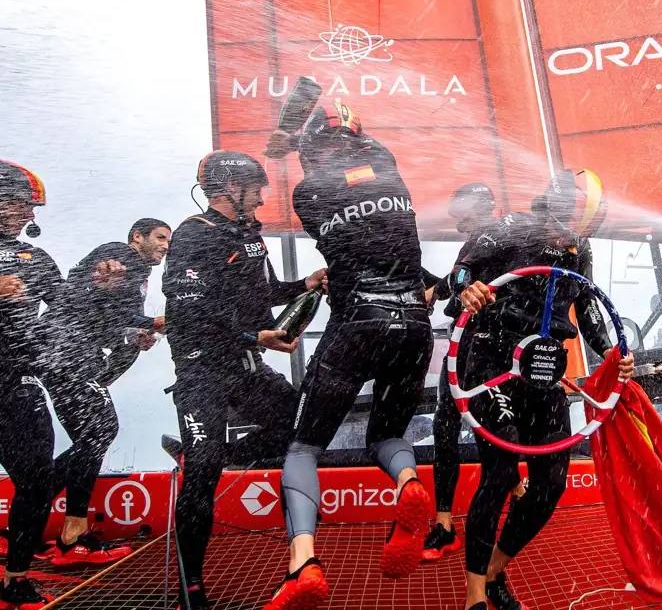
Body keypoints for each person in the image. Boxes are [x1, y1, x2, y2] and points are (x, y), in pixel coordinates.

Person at [261, 100, 436, 610]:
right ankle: (407, 482)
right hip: (415, 325)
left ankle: (303, 564)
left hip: (357, 323)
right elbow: (360, 147)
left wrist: (288, 139)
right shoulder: (388, 168)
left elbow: (319, 170)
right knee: (387, 435)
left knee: (303, 449)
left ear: (312, 149)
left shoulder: (308, 192)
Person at [453, 170, 634, 610]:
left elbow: (588, 305)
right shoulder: (509, 229)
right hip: (490, 362)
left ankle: (495, 570)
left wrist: (613, 354)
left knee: (551, 483)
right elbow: (459, 275)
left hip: (543, 372)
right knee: (501, 469)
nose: (573, 237)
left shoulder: (580, 250)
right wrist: (469, 290)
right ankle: (474, 596)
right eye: (571, 226)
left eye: (582, 231)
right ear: (553, 207)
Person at [163, 150, 326, 610]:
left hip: (247, 368)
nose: (262, 196)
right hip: (202, 372)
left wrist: (304, 285)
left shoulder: (249, 234)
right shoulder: (193, 235)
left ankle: (209, 454)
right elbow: (189, 309)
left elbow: (266, 293)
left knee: (295, 426)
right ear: (230, 189)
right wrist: (253, 335)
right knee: (202, 478)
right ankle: (190, 591)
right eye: (256, 188)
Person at [37, 218, 170, 566]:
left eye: (168, 241)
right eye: (160, 237)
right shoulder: (120, 253)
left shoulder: (137, 275)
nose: (166, 246)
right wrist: (154, 323)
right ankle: (72, 537)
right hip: (66, 353)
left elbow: (106, 319)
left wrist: (132, 336)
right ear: (137, 237)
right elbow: (88, 296)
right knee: (100, 431)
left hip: (65, 354)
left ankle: (29, 520)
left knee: (91, 437)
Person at [422, 182, 500, 562]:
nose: (454, 216)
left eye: (460, 209)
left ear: (477, 208)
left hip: (474, 345)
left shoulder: (483, 237)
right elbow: (457, 281)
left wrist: (442, 289)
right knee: (485, 426)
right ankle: (511, 495)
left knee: (451, 426)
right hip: (482, 345)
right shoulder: (488, 238)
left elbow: (461, 282)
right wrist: (437, 287)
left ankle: (446, 523)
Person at [0, 160, 61, 609]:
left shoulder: (35, 258)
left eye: (31, 208)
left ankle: (16, 580)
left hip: (18, 385)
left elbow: (68, 307)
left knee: (36, 480)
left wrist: (126, 322)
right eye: (21, 205)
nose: (29, 216)